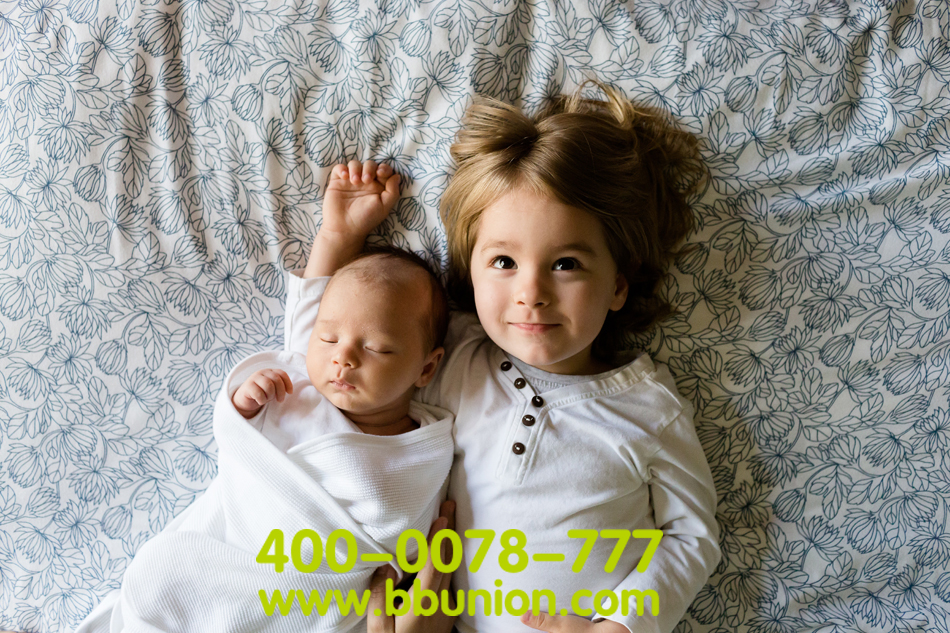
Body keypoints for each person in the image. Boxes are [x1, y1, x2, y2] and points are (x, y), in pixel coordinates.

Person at [286, 81, 721, 633]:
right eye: (503, 263)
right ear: (470, 273)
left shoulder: (648, 408)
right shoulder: (450, 358)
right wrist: (337, 238)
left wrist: (621, 624)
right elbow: (323, 354)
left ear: (617, 285)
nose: (530, 293)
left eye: (565, 264)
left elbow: (692, 536)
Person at [69, 163, 458, 633]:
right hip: (226, 560)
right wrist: (339, 232)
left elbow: (409, 551)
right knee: (163, 579)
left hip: (307, 598)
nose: (343, 358)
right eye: (328, 339)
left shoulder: (426, 449)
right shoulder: (299, 382)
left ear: (426, 368)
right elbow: (313, 304)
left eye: (377, 348)